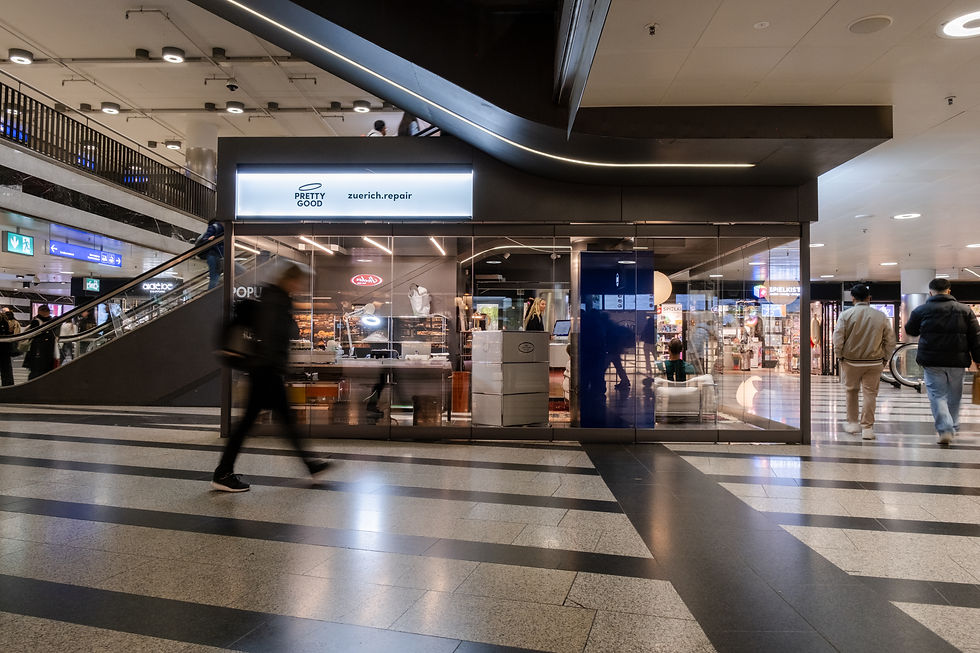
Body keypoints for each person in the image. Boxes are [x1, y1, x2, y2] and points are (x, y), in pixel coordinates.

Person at [212, 264, 330, 492]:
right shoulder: (276, 301)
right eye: (300, 282)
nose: (301, 286)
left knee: (281, 422)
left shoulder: (275, 298)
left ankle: (312, 466)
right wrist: (272, 367)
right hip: (266, 372)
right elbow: (270, 338)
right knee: (258, 424)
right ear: (292, 280)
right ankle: (223, 473)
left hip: (265, 371)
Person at [904, 277, 980, 445]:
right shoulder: (965, 310)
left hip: (932, 362)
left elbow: (911, 330)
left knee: (937, 395)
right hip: (957, 361)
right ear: (949, 291)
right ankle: (951, 424)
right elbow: (976, 337)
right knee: (955, 395)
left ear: (930, 292)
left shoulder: (922, 310)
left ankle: (945, 429)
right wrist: (978, 358)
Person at [832, 284, 896, 440]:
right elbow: (890, 340)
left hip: (851, 361)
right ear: (869, 298)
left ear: (852, 298)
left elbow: (838, 339)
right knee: (870, 394)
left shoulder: (846, 315)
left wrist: (840, 356)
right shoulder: (880, 316)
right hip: (874, 362)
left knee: (851, 391)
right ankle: (867, 428)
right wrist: (885, 358)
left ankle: (853, 423)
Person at [23, 305, 57, 380]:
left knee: (39, 370)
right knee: (38, 370)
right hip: (40, 350)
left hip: (42, 350)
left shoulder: (48, 321)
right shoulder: (38, 321)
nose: (46, 313)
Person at [196, 220, 225, 289]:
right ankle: (211, 295)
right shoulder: (215, 226)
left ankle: (212, 293)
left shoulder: (224, 229)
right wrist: (210, 239)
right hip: (213, 254)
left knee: (216, 276)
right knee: (215, 276)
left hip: (219, 256)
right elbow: (206, 238)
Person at [0, 307, 16, 386]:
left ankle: (8, 387)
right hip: (4, 349)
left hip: (4, 349)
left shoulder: (4, 321)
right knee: (6, 370)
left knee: (6, 370)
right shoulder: (5, 321)